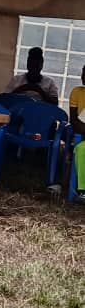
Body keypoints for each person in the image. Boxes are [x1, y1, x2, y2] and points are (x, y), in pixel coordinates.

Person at [67, 64, 85, 203]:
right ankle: (83, 190)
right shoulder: (77, 92)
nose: (84, 77)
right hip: (82, 133)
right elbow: (74, 120)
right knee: (81, 148)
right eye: (83, 72)